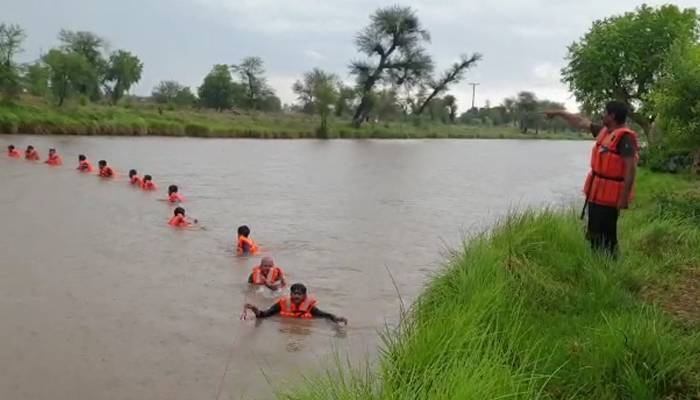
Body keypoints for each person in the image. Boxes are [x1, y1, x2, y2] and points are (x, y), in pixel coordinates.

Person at [545, 101, 639, 256]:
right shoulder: (605, 131)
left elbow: (631, 169)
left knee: (607, 236)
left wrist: (623, 198)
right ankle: (598, 263)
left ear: (612, 116)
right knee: (594, 233)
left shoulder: (625, 138)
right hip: (596, 193)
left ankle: (612, 266)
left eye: (605, 112)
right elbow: (580, 121)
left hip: (610, 195)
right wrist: (558, 113)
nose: (602, 115)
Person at [244, 283, 347, 324]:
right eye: (294, 293)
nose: (296, 296)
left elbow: (325, 315)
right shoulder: (281, 304)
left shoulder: (310, 307)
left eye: (300, 294)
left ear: (305, 296)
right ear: (290, 294)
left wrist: (336, 318)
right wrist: (255, 309)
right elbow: (264, 315)